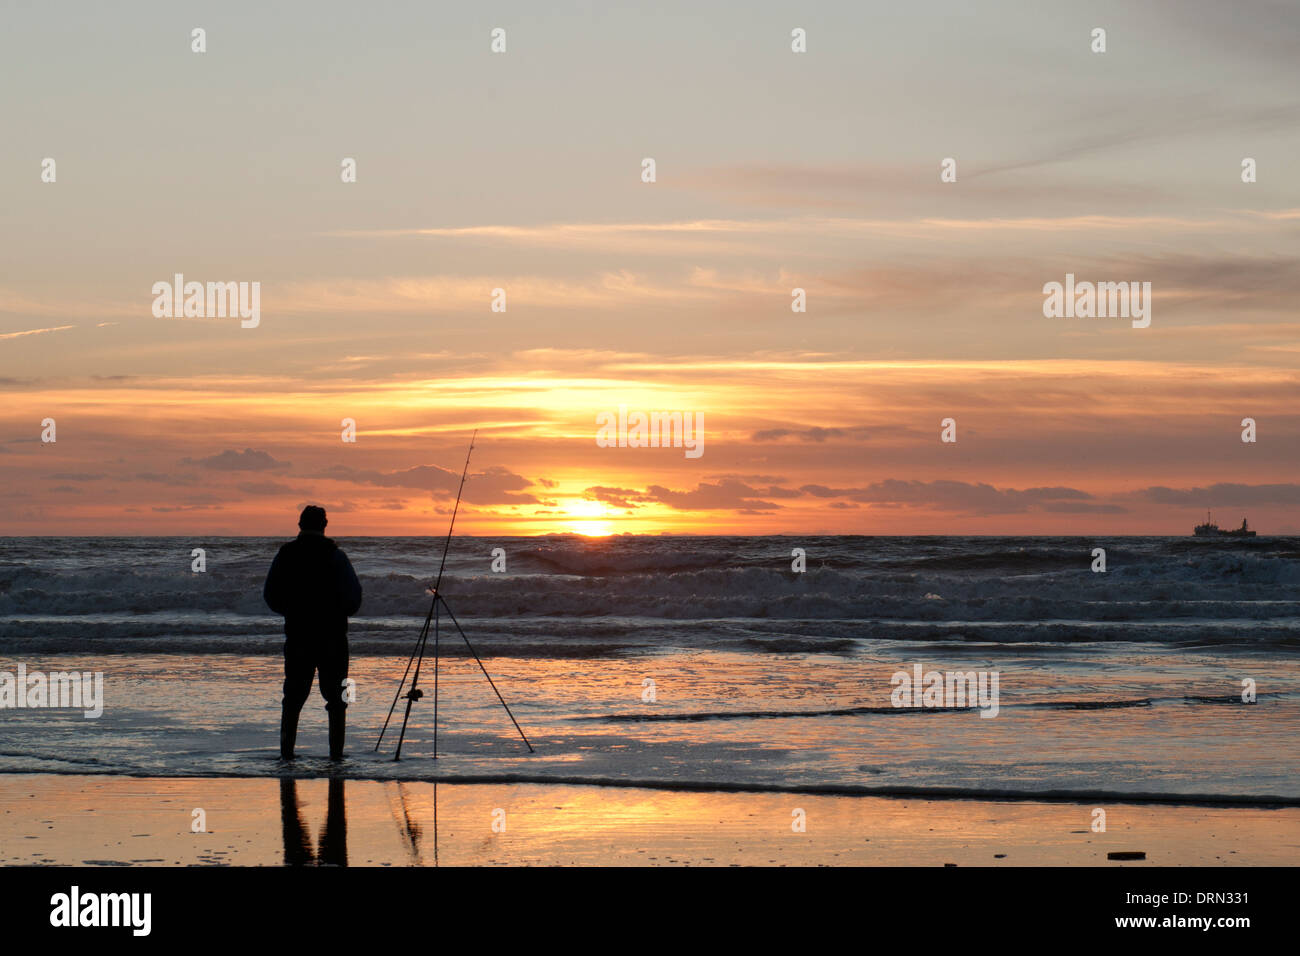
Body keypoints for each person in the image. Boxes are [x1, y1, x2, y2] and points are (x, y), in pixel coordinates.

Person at [263, 505, 363, 760]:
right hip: (333, 638)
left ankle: (286, 754)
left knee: (293, 698)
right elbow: (354, 599)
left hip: (298, 636)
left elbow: (270, 595)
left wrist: (291, 611)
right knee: (337, 701)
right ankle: (336, 756)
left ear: (299, 525)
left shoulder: (286, 554)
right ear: (324, 525)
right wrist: (338, 611)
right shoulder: (336, 556)